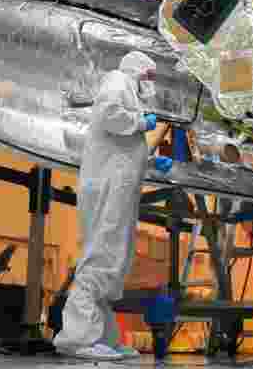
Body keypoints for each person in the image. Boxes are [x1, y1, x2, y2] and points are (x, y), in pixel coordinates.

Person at [53, 51, 165, 361]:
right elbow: (109, 115)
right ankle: (77, 338)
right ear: (138, 71)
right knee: (102, 254)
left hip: (118, 186)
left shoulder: (129, 91)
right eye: (150, 77)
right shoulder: (117, 82)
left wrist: (153, 162)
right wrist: (142, 122)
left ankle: (102, 337)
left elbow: (122, 147)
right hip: (108, 187)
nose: (151, 85)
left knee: (113, 260)